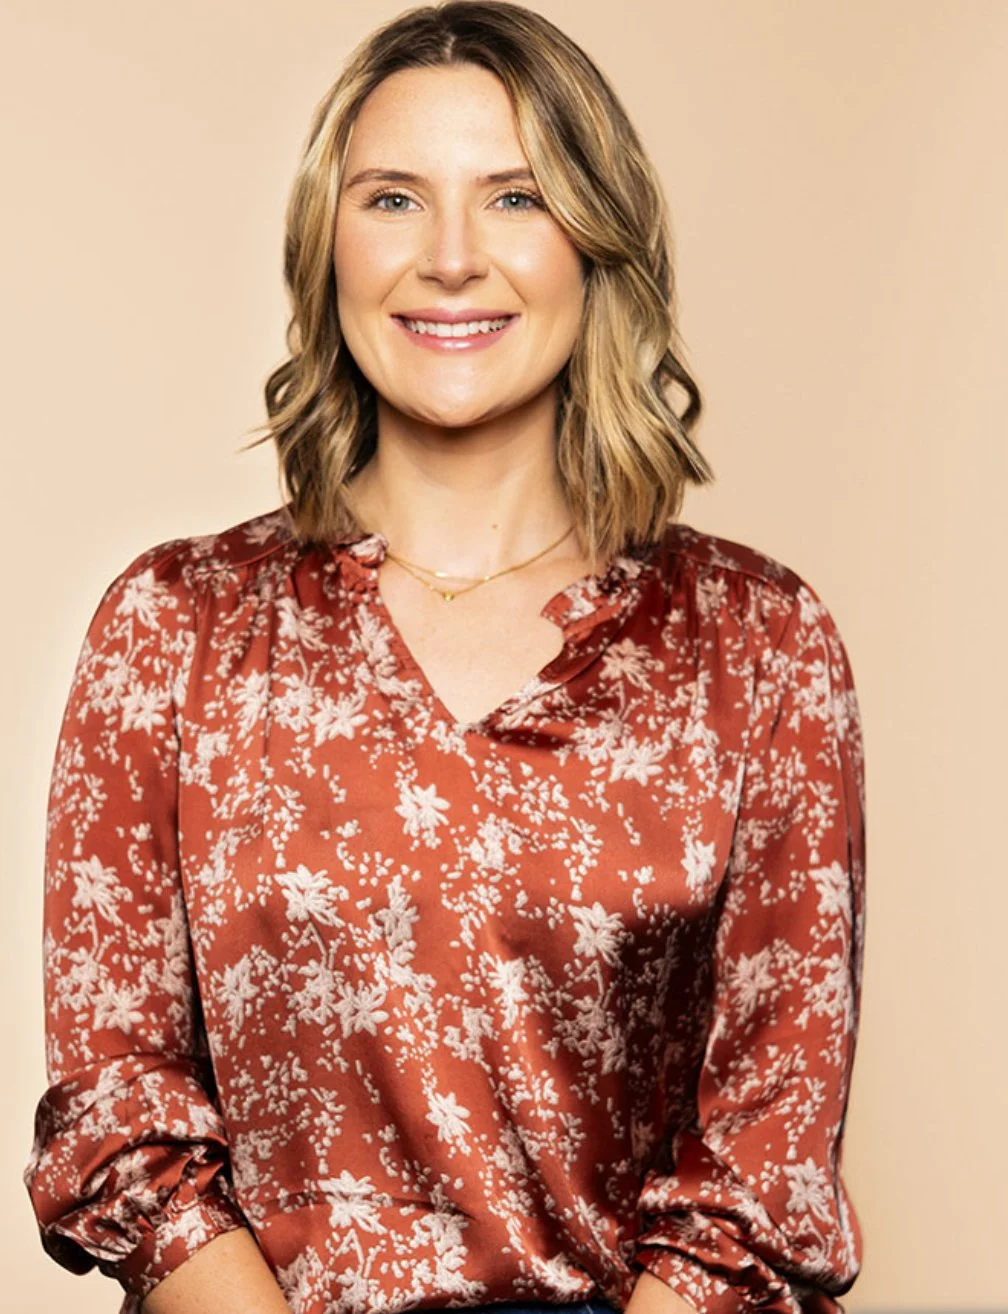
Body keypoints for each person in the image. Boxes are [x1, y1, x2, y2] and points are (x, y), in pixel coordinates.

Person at [22, 4, 867, 1314]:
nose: (453, 258)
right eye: (396, 197)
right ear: (327, 248)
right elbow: (118, 1116)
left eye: (517, 195)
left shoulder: (759, 645)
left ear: (598, 245)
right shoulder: (172, 623)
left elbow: (764, 1163)